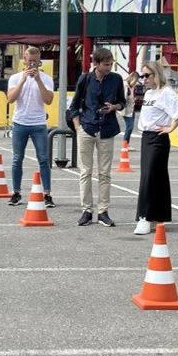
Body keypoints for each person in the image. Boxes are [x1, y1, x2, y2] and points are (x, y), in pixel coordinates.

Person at [67, 47, 125, 226]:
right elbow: (74, 105)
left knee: (105, 173)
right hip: (87, 128)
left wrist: (114, 107)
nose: (109, 68)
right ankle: (86, 210)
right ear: (96, 64)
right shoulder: (85, 79)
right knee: (85, 171)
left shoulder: (116, 79)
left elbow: (122, 102)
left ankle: (103, 211)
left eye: (111, 64)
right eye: (106, 65)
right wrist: (78, 128)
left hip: (107, 129)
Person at [133, 60, 178, 234]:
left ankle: (144, 216)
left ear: (156, 74)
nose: (144, 79)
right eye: (142, 76)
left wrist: (170, 128)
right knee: (151, 176)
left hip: (158, 138)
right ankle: (157, 215)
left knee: (150, 176)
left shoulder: (166, 93)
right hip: (146, 137)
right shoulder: (149, 94)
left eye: (147, 75)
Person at [6, 46, 56, 207]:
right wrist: (23, 80)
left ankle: (47, 194)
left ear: (39, 61)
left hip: (38, 123)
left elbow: (48, 100)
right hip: (20, 122)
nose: (32, 64)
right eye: (29, 61)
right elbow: (11, 99)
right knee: (17, 159)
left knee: (43, 159)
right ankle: (16, 192)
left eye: (35, 61)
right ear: (24, 60)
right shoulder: (15, 78)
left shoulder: (46, 79)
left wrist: (38, 80)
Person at [123, 70, 144, 146]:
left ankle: (126, 144)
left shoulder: (131, 86)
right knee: (130, 126)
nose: (136, 82)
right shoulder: (125, 85)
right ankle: (125, 144)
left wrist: (134, 99)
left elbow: (129, 97)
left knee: (130, 127)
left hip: (131, 108)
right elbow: (124, 98)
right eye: (136, 80)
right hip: (126, 110)